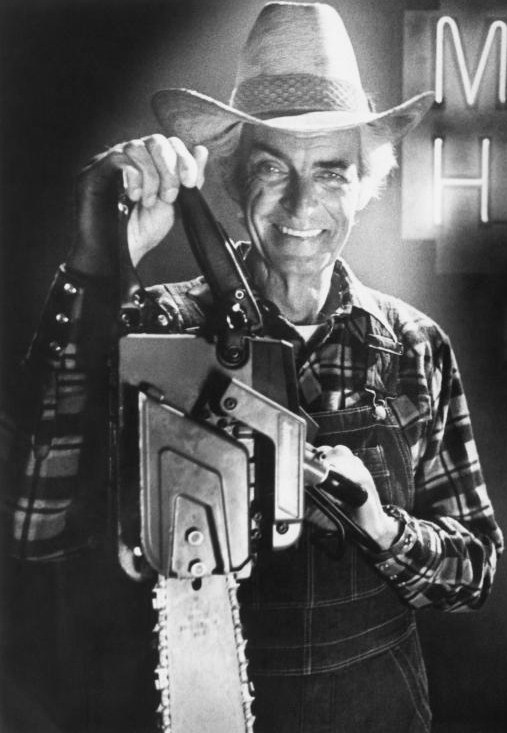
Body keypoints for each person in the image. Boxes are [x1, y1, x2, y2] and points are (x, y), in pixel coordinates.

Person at [1, 3, 503, 732]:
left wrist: (380, 524)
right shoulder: (158, 324)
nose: (302, 203)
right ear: (236, 181)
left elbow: (474, 572)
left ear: (363, 186)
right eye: (273, 168)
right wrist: (98, 264)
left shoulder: (415, 345)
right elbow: (32, 521)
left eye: (331, 172)